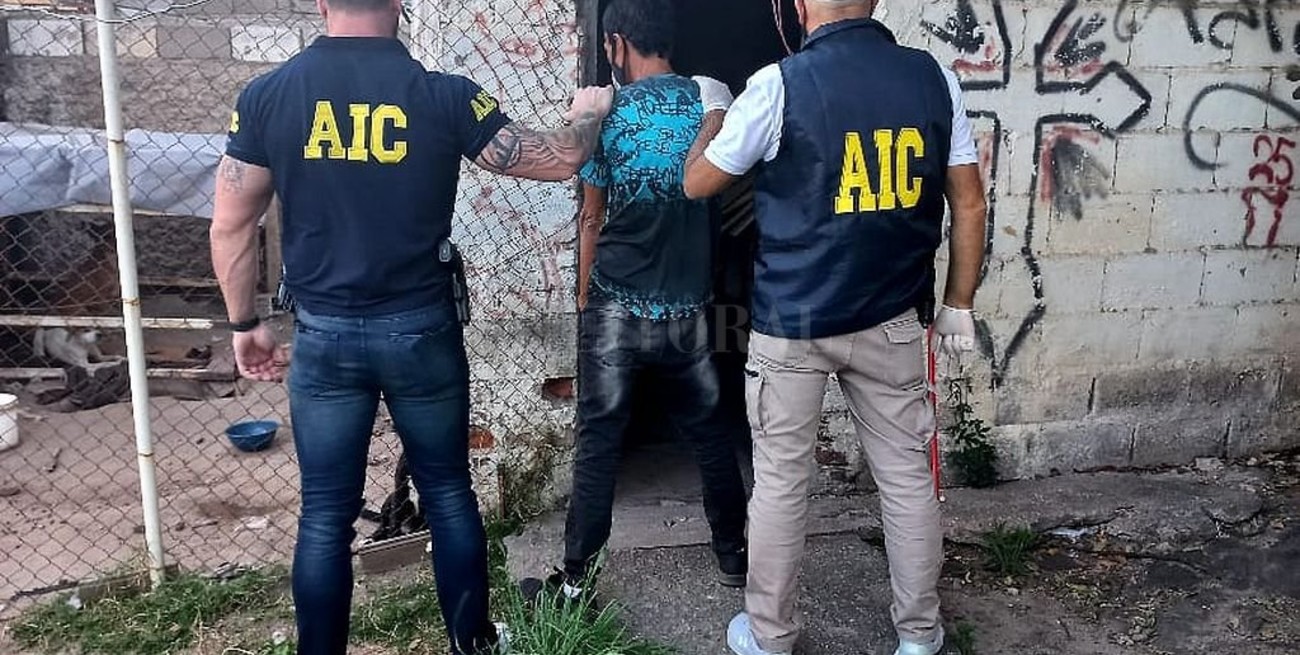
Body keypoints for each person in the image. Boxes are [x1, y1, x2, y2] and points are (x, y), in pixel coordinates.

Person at [208, 0, 612, 651]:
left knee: (324, 516)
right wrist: (589, 111)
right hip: (420, 331)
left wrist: (244, 323)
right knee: (448, 493)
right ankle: (472, 642)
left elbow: (231, 224)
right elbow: (562, 158)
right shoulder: (444, 96)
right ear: (398, 2)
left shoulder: (268, 95)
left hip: (325, 336)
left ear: (322, 2)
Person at [682, 1, 988, 654]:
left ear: (797, 7)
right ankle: (919, 635)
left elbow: (699, 182)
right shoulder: (933, 78)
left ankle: (769, 636)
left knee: (781, 483)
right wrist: (958, 301)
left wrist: (714, 110)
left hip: (793, 322)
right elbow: (968, 200)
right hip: (892, 316)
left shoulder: (778, 84)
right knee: (905, 477)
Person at [542, 0, 750, 598]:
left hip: (616, 302)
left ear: (615, 44)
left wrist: (584, 299)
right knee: (711, 431)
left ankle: (576, 583)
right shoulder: (710, 106)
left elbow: (591, 217)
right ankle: (733, 556)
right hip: (690, 307)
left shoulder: (607, 114)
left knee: (599, 441)